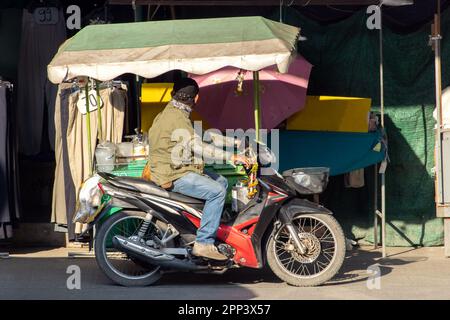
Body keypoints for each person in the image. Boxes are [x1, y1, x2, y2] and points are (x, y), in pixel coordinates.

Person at [147, 77, 250, 261]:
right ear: (195, 98)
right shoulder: (176, 118)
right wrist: (232, 157)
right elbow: (199, 146)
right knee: (217, 192)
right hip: (173, 174)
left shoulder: (174, 112)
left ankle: (208, 225)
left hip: (178, 168)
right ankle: (203, 242)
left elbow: (207, 137)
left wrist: (237, 142)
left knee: (221, 181)